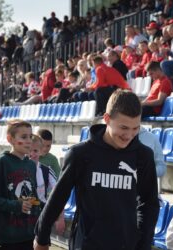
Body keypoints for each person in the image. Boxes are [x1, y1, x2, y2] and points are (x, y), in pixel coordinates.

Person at [34, 89, 159, 250]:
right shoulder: (80, 154)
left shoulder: (143, 156)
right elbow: (58, 197)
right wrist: (42, 237)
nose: (129, 135)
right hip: (87, 244)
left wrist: (143, 244)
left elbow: (149, 204)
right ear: (107, 119)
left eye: (135, 128)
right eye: (123, 127)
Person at [0, 120, 42, 250]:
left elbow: (33, 198)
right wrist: (16, 205)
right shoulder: (2, 162)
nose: (29, 141)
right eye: (23, 137)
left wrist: (39, 209)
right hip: (7, 238)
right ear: (10, 139)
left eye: (30, 136)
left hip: (28, 235)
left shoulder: (31, 165)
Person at [29, 134, 65, 234]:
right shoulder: (17, 170)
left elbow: (60, 193)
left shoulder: (46, 171)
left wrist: (60, 218)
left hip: (40, 219)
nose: (32, 154)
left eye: (35, 151)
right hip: (21, 222)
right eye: (29, 150)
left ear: (40, 151)